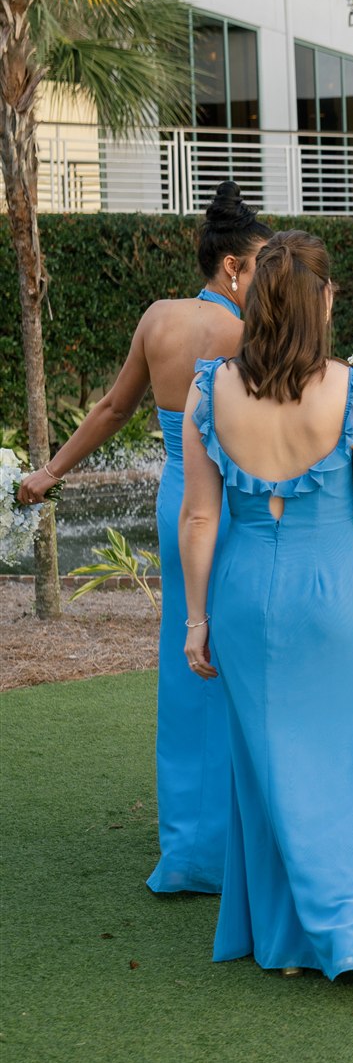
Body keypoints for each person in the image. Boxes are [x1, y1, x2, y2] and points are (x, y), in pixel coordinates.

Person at [179, 231, 353, 980]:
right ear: (322, 300)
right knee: (341, 757)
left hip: (243, 592)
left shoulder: (209, 389)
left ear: (257, 300)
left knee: (265, 761)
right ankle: (351, 930)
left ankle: (288, 940)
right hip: (330, 592)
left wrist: (196, 620)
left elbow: (199, 517)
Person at [20, 181, 268, 895]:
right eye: (261, 267)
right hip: (233, 501)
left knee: (187, 656)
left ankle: (190, 845)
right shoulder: (248, 333)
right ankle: (246, 839)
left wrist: (49, 473)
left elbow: (110, 408)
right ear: (233, 267)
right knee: (241, 651)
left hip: (175, 500)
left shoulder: (157, 318)